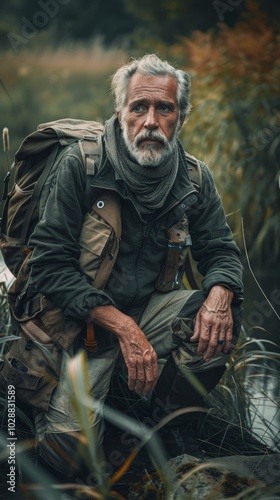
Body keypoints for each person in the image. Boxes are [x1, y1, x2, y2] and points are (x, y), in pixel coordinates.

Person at [27, 54, 244, 478]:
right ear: (120, 112)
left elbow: (220, 249)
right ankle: (69, 413)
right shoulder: (81, 165)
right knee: (68, 462)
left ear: (180, 118)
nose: (150, 121)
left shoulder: (195, 179)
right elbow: (48, 265)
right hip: (81, 327)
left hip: (150, 312)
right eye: (138, 107)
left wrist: (220, 294)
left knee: (224, 315)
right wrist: (124, 329)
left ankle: (161, 431)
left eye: (164, 108)